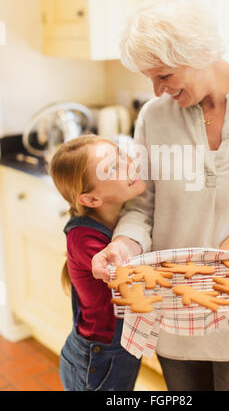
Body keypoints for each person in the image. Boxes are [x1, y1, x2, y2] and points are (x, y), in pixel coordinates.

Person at [91, 0, 229, 391]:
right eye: (149, 78)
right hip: (176, 308)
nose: (156, 91)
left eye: (164, 76)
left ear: (200, 51)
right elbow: (142, 207)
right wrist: (124, 246)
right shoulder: (154, 117)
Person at [49, 134, 145, 391]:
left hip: (115, 352)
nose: (129, 164)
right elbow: (134, 281)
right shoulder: (84, 238)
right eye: (112, 168)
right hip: (96, 358)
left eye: (121, 155)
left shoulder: (122, 215)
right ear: (91, 199)